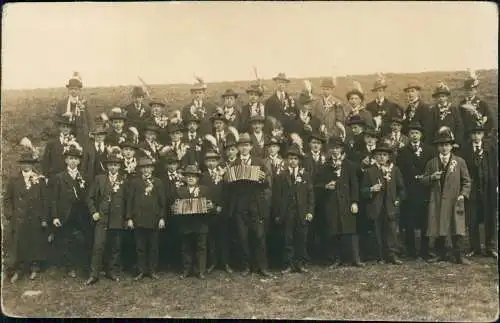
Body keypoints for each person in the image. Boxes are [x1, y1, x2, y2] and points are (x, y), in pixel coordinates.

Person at [421, 128, 471, 264]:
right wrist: (431, 177)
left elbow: (466, 181)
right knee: (439, 226)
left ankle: (459, 255)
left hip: (454, 199)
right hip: (437, 199)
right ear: (437, 147)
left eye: (447, 145)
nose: (444, 148)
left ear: (451, 146)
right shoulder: (432, 163)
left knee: (457, 226)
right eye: (441, 145)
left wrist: (463, 194)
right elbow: (423, 180)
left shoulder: (459, 162)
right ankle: (440, 253)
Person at [227, 133, 273, 277]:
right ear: (238, 148)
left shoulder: (259, 162)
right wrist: (229, 179)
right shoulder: (234, 164)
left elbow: (266, 184)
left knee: (259, 236)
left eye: (246, 145)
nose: (244, 148)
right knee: (243, 237)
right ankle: (246, 267)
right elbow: (229, 188)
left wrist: (262, 179)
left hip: (256, 204)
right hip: (240, 205)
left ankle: (262, 267)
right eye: (241, 145)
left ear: (251, 147)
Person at [320, 137, 364, 268]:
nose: (335, 150)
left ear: (342, 149)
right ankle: (336, 259)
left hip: (346, 201)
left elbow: (354, 185)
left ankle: (355, 258)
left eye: (337, 148)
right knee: (334, 230)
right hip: (332, 202)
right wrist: (326, 186)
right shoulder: (325, 166)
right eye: (333, 148)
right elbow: (317, 184)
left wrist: (355, 202)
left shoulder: (349, 165)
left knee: (351, 230)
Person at [5, 152, 48, 283]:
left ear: (32, 165)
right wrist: (10, 214)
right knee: (19, 243)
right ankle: (19, 269)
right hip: (19, 217)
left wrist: (44, 218)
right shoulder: (14, 180)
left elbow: (44, 200)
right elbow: (7, 199)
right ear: (21, 165)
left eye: (29, 163)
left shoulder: (39, 180)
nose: (26, 166)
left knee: (34, 241)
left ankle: (34, 267)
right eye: (24, 163)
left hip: (34, 216)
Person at [85, 153, 127, 285]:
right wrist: (94, 212)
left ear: (119, 166)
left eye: (116, 165)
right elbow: (89, 198)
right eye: (111, 165)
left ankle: (112, 272)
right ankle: (94, 274)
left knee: (115, 246)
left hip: (117, 218)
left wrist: (126, 218)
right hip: (102, 218)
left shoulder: (124, 180)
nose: (113, 168)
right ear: (107, 166)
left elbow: (127, 200)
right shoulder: (100, 179)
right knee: (98, 245)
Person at [361, 142, 406, 265]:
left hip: (390, 205)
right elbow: (362, 191)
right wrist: (371, 189)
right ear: (375, 157)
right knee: (377, 231)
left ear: (388, 157)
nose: (382, 157)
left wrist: (398, 199)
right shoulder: (369, 172)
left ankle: (392, 254)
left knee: (391, 230)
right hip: (376, 206)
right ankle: (380, 255)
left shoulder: (394, 170)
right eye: (379, 155)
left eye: (384, 155)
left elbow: (402, 188)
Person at [273, 144, 314, 274]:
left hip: (301, 212)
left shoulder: (305, 176)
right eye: (290, 158)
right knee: (288, 238)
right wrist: (278, 214)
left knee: (301, 237)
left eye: (295, 159)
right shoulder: (281, 176)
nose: (292, 161)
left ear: (299, 161)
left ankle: (300, 263)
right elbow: (277, 197)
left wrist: (310, 212)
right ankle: (289, 264)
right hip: (287, 212)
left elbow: (310, 195)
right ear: (287, 160)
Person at [396, 121, 435, 259]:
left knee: (425, 221)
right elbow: (399, 172)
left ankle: (425, 251)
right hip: (409, 191)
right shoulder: (402, 152)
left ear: (421, 135)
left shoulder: (430, 150)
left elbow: (432, 169)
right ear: (408, 135)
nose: (414, 136)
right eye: (412, 133)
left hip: (424, 190)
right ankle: (411, 251)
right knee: (409, 222)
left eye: (417, 133)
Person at [51, 144, 91, 278]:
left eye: (76, 159)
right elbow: (54, 198)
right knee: (66, 239)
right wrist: (55, 216)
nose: (73, 161)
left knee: (85, 237)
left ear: (79, 161)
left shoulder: (84, 176)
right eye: (70, 158)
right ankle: (70, 266)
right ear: (66, 160)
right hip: (66, 212)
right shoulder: (59, 177)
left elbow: (88, 196)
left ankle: (85, 265)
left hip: (82, 212)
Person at [460, 126, 498, 259]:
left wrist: (496, 184)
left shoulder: (490, 149)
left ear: (482, 135)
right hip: (473, 187)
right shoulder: (465, 150)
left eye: (478, 133)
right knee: (473, 217)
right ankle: (474, 247)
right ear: (470, 136)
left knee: (490, 216)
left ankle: (490, 247)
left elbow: (495, 166)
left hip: (488, 186)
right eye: (473, 134)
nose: (476, 136)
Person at [126, 157, 166, 280]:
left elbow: (162, 202)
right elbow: (130, 201)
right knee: (140, 247)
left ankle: (152, 270)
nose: (146, 170)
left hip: (154, 220)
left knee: (153, 246)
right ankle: (141, 270)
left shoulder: (158, 182)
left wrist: (162, 217)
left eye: (149, 167)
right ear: (140, 169)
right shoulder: (135, 182)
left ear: (152, 169)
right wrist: (129, 218)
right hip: (139, 219)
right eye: (144, 168)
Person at [173, 164, 214, 279]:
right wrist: (174, 207)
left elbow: (211, 205)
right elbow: (174, 206)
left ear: (197, 178)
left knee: (201, 247)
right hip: (185, 223)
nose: (190, 178)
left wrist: (211, 206)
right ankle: (187, 270)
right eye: (188, 176)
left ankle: (201, 271)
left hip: (201, 223)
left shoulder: (205, 190)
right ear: (185, 178)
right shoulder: (179, 191)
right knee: (186, 247)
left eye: (193, 176)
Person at [200, 151, 232, 274]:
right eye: (209, 161)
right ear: (205, 163)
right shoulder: (203, 176)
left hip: (222, 211)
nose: (211, 163)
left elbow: (228, 193)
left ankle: (225, 263)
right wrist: (212, 207)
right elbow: (202, 193)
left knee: (224, 237)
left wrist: (221, 206)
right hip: (208, 211)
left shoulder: (224, 175)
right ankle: (213, 263)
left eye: (213, 160)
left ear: (218, 161)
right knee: (210, 238)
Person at [302, 132, 328, 262]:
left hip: (323, 195)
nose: (316, 146)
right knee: (309, 224)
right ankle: (308, 254)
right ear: (309, 145)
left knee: (323, 223)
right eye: (314, 143)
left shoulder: (326, 158)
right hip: (309, 195)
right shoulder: (304, 159)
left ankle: (322, 255)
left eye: (318, 143)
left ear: (322, 146)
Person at [158, 151, 185, 271]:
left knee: (178, 235)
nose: (172, 166)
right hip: (165, 209)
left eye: (174, 164)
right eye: (169, 164)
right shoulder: (161, 179)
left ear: (177, 165)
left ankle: (177, 263)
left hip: (179, 210)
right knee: (164, 236)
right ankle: (164, 263)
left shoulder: (182, 177)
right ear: (166, 165)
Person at [55, 72, 93, 146]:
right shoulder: (62, 103)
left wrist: (88, 132)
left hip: (80, 135)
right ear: (68, 90)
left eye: (76, 89)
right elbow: (56, 118)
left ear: (79, 90)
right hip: (65, 133)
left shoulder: (83, 103)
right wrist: (64, 116)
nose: (73, 91)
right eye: (71, 89)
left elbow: (88, 120)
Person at [458, 69, 496, 143]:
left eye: (471, 90)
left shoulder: (482, 104)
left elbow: (490, 120)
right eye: (466, 90)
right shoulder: (461, 104)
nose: (468, 92)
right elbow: (459, 122)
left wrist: (483, 132)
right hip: (466, 137)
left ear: (475, 90)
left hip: (479, 137)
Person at [42, 114, 78, 183]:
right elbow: (46, 162)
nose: (65, 129)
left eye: (68, 127)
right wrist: (46, 176)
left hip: (70, 176)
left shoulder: (75, 143)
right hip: (55, 176)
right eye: (63, 127)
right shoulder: (51, 143)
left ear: (71, 129)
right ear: (60, 128)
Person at [428, 82, 464, 148]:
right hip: (438, 142)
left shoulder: (453, 109)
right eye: (439, 97)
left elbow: (459, 126)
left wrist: (457, 142)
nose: (441, 99)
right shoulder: (433, 110)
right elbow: (430, 128)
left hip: (452, 142)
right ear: (436, 98)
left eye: (443, 96)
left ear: (447, 97)